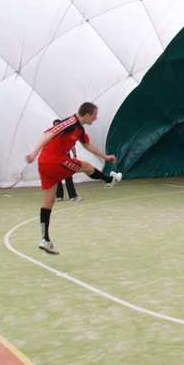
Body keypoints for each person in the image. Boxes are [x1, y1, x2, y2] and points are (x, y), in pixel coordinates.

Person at [25, 102, 122, 254]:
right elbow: (48, 134)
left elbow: (87, 145)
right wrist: (34, 151)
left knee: (48, 202)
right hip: (54, 161)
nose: (96, 118)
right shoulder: (69, 123)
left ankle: (45, 240)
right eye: (95, 115)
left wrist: (105, 156)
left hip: (44, 165)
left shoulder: (79, 129)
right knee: (86, 166)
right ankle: (109, 181)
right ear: (87, 115)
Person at [52, 119, 80, 202]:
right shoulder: (51, 135)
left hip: (66, 159)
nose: (57, 126)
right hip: (56, 160)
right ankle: (59, 196)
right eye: (55, 125)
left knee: (68, 177)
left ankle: (73, 196)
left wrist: (75, 155)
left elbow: (72, 146)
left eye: (58, 125)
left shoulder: (67, 135)